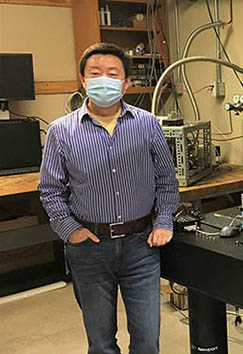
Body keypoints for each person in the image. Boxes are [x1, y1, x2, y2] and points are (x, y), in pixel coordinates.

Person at [38, 43, 179, 354]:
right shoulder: (62, 132)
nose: (104, 79)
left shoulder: (147, 124)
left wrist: (165, 220)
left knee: (146, 342)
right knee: (101, 344)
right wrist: (69, 229)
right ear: (83, 80)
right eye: (95, 73)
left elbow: (167, 181)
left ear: (125, 82)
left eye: (112, 74)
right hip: (89, 249)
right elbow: (49, 189)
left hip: (141, 245)